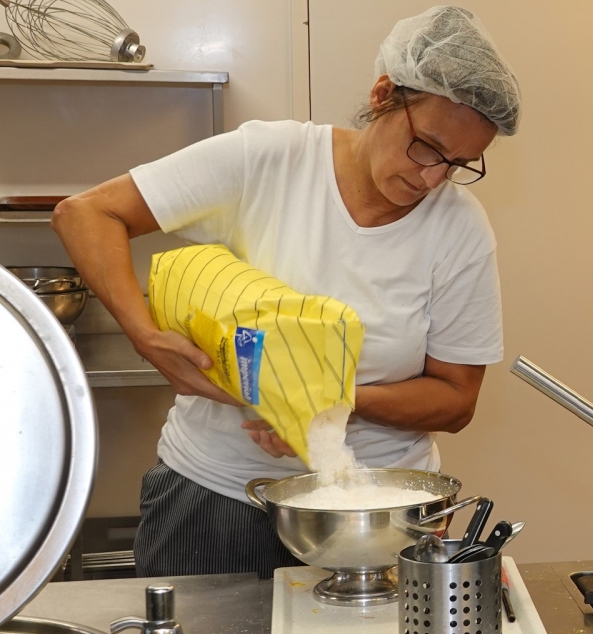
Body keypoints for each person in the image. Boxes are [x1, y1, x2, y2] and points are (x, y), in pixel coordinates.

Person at [51, 5, 520, 578]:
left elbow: (455, 400)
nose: (431, 179)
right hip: (215, 496)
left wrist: (322, 403)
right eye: (426, 147)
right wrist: (146, 337)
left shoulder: (459, 228)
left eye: (458, 164)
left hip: (371, 509)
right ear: (382, 96)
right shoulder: (270, 159)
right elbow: (87, 213)